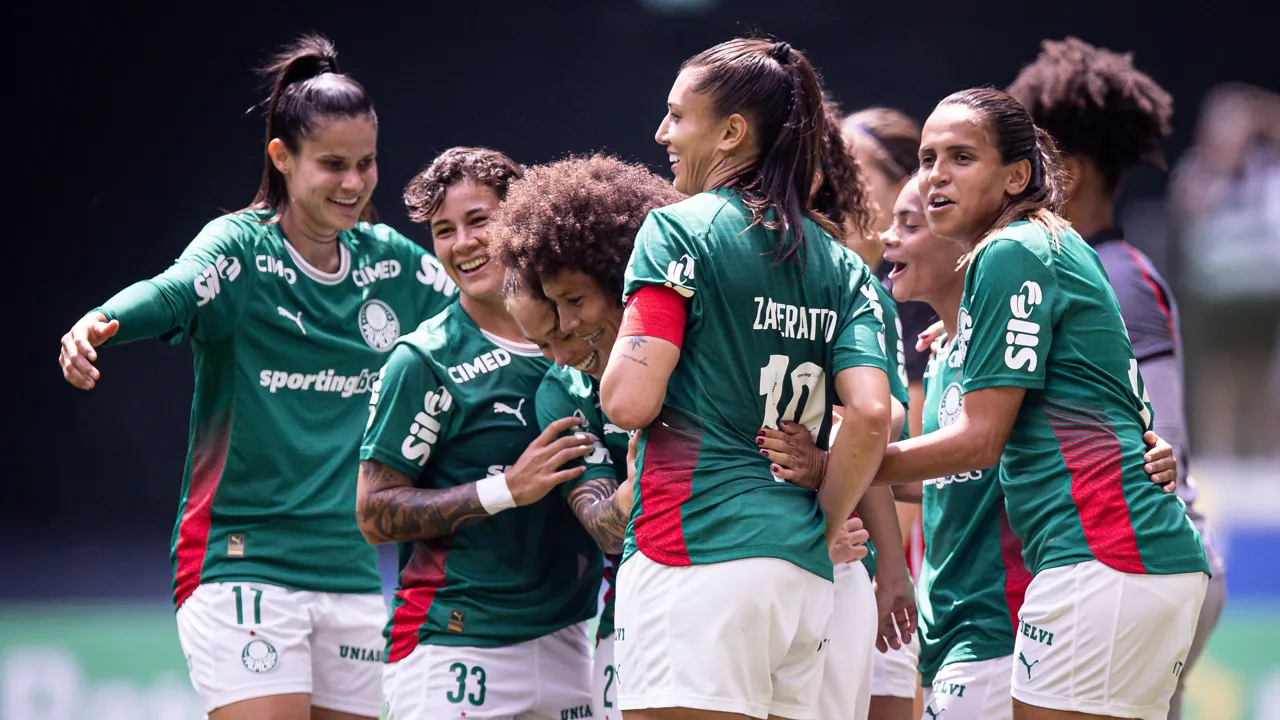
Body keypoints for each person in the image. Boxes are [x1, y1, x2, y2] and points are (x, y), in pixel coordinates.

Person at [56, 34, 458, 720]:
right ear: (282, 157)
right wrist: (100, 320)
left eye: (366, 163)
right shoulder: (241, 249)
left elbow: (484, 314)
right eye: (332, 165)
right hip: (241, 565)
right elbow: (174, 290)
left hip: (352, 572)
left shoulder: (391, 264)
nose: (354, 183)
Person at [871, 88, 1211, 720]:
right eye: (927, 158)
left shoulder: (1012, 250)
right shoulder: (1039, 248)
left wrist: (840, 465)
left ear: (1016, 176)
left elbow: (979, 441)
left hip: (1105, 551)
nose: (937, 174)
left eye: (961, 157)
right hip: (1126, 557)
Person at [599, 38, 893, 720]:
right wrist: (821, 524)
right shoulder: (843, 264)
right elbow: (873, 416)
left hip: (694, 555)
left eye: (677, 115)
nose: (662, 133)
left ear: (731, 132)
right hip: (800, 576)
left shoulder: (676, 231)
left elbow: (627, 401)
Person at [1007, 37, 1228, 719]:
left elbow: (1160, 441)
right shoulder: (1068, 270)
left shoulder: (1118, 280)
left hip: (1141, 554)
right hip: (1130, 560)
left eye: (1026, 163)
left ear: (1067, 173)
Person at [358, 147, 602, 720]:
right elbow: (372, 513)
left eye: (478, 221)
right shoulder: (424, 359)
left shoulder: (585, 332)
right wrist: (506, 489)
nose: (462, 243)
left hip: (571, 638)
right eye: (444, 231)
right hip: (455, 643)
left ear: (519, 218)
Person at [489, 153, 685, 720]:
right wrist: (644, 474)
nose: (563, 351)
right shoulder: (562, 392)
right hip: (636, 611)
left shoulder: (695, 349)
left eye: (567, 321)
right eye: (543, 343)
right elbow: (603, 529)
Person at [881, 178, 1032, 720]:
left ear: (964, 241)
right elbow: (940, 483)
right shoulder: (942, 354)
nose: (887, 237)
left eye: (909, 224)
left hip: (1001, 626)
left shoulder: (1012, 351)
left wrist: (839, 465)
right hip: (946, 633)